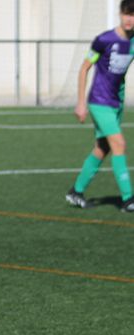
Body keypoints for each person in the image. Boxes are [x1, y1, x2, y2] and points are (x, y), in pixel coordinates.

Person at [68, 0, 134, 212]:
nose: (129, 19)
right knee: (119, 144)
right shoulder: (104, 40)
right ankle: (128, 199)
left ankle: (76, 192)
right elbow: (84, 68)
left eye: (133, 15)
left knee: (103, 148)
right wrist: (80, 103)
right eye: (126, 13)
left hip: (117, 102)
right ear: (120, 13)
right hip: (99, 101)